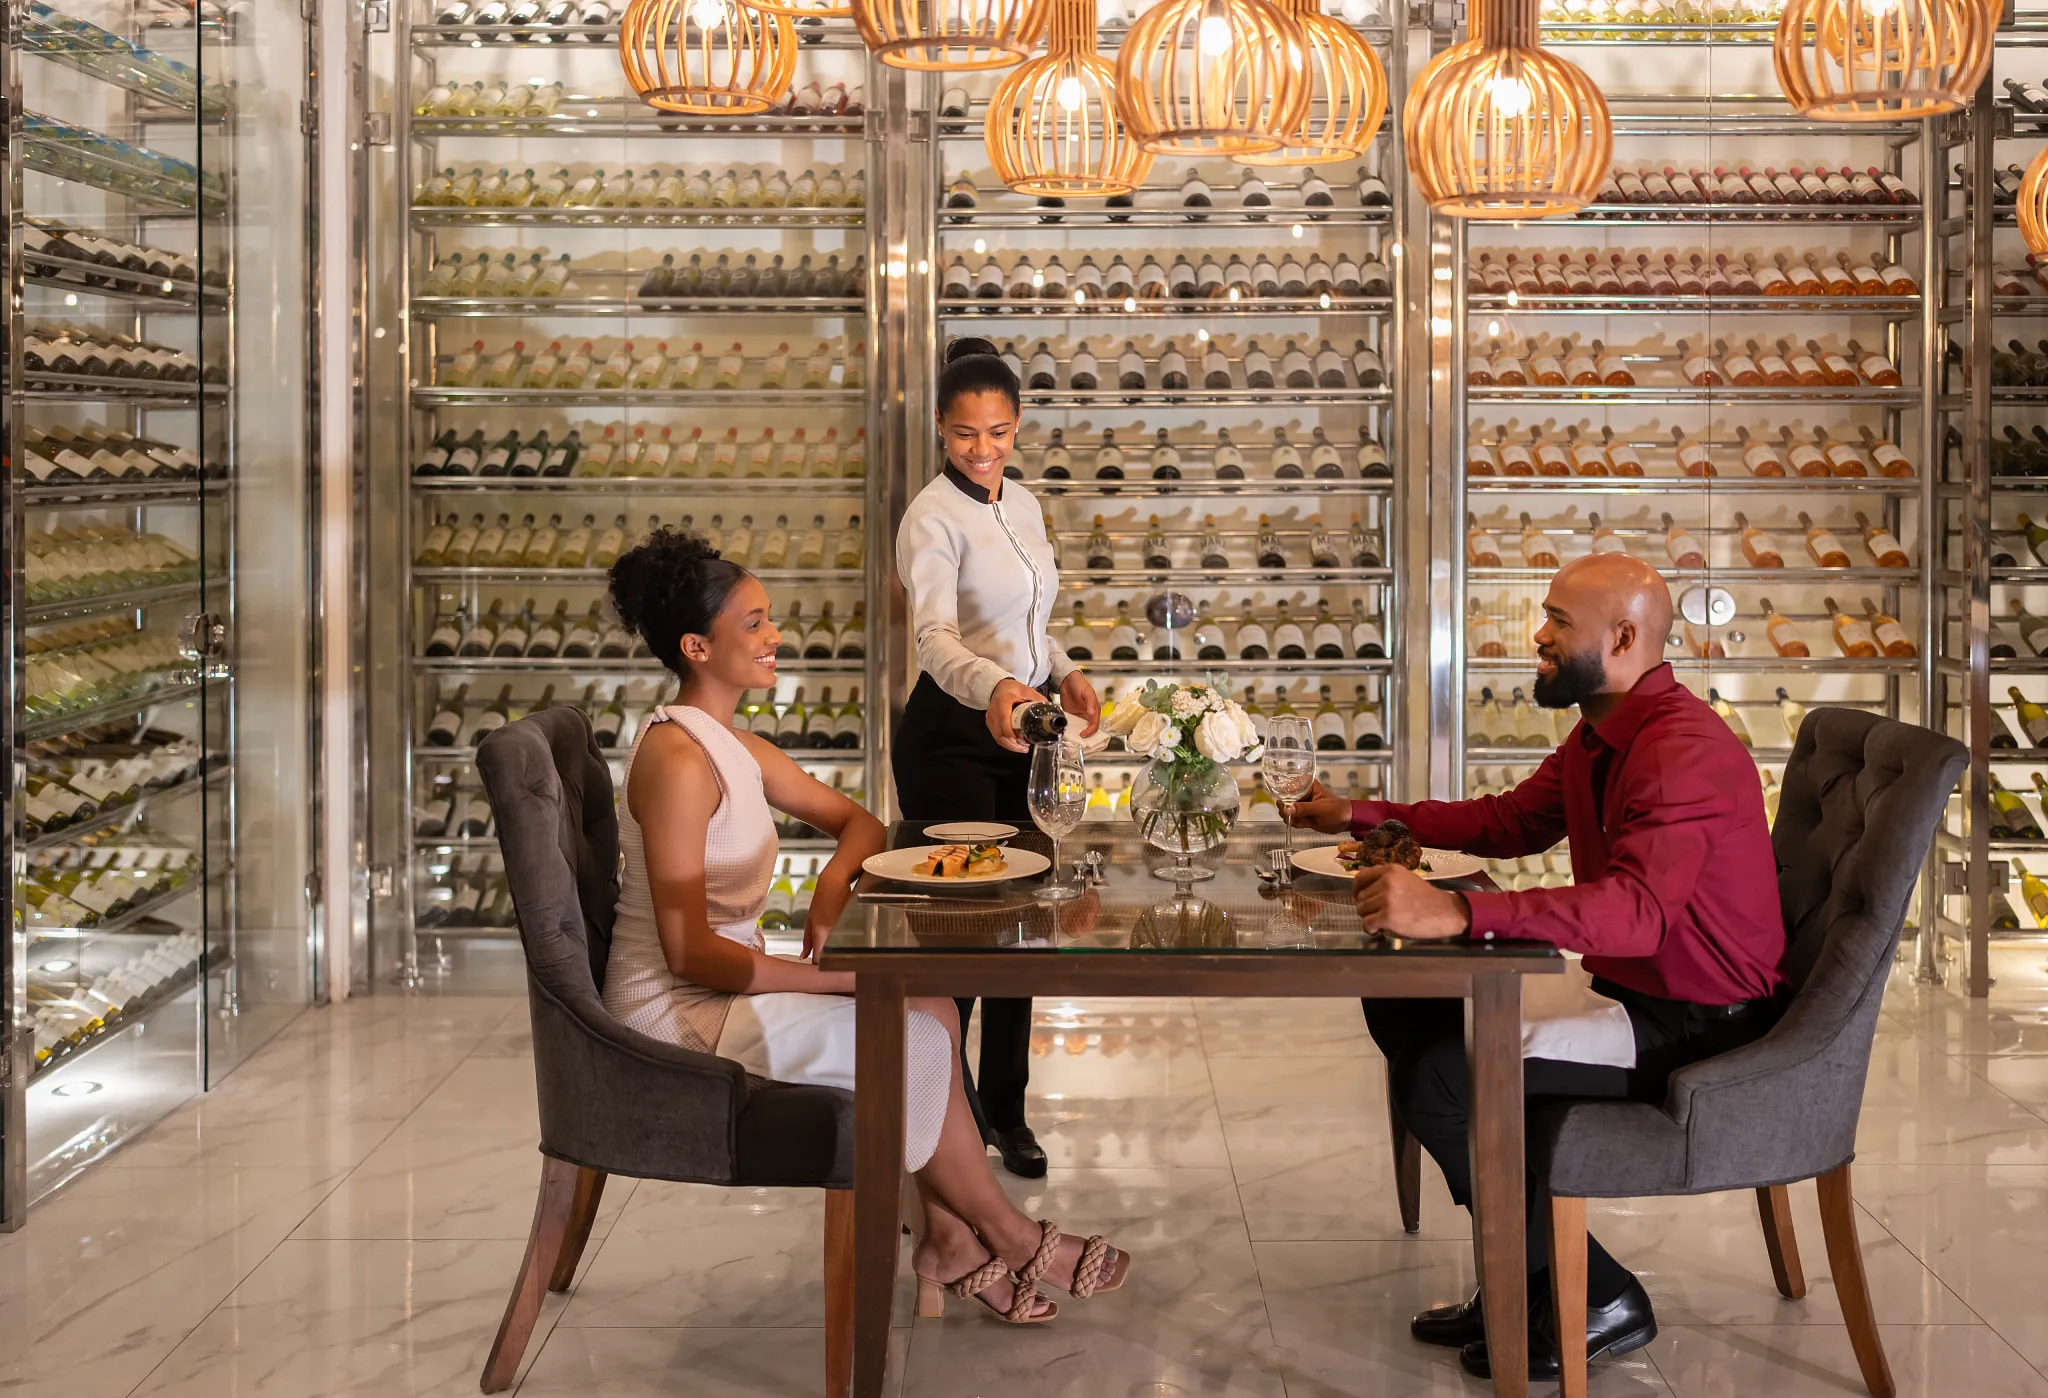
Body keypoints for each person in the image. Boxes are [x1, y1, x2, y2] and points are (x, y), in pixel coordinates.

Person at [601, 527, 1129, 1322]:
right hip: (675, 1013)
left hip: (724, 984)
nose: (775, 636)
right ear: (695, 647)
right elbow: (688, 953)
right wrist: (835, 975)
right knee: (912, 1027)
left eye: (769, 618)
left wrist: (830, 888)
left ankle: (952, 1240)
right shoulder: (677, 761)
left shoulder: (734, 744)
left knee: (934, 1007)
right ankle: (1008, 1234)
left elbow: (859, 822)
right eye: (753, 624)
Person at [1290, 552, 1788, 1382]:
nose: (1539, 636)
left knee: (1443, 1080)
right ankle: (1525, 1272)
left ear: (1624, 638)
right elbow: (1512, 820)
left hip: (1695, 1027)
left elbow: (1637, 914)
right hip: (1641, 994)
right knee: (1403, 1006)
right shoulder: (1605, 729)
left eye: (1559, 622)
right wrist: (1364, 812)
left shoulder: (1678, 753)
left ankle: (1596, 1294)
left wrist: (1458, 911)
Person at [892, 336, 1102, 1179]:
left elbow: (1028, 622)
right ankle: (942, 1125)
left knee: (1026, 929)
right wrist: (994, 688)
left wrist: (1063, 669)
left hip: (1026, 723)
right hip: (951, 733)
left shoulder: (1022, 505)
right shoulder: (929, 517)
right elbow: (936, 636)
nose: (984, 450)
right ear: (941, 429)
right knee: (959, 939)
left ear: (1018, 429)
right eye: (966, 435)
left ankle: (1005, 1113)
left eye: (1000, 433)